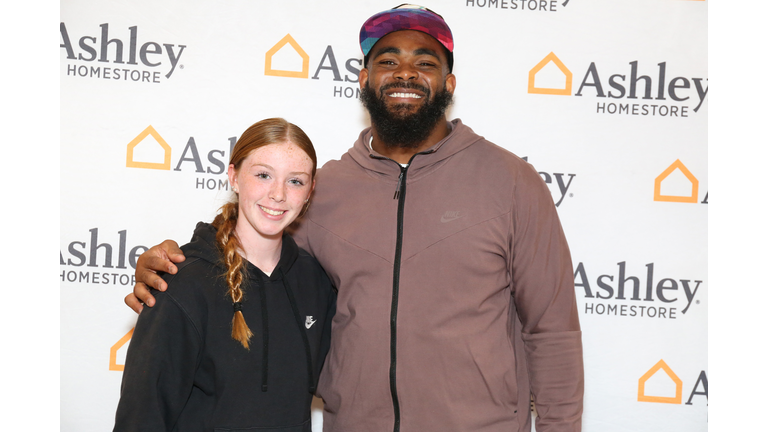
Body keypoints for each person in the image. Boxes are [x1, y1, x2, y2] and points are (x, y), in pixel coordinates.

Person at [126, 5, 584, 432]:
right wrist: (175, 264)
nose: (406, 72)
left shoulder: (510, 182)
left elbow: (552, 331)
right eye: (388, 61)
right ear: (365, 79)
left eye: (425, 62)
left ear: (449, 84)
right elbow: (254, 260)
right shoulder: (324, 188)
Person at [114, 118, 336, 432]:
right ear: (234, 177)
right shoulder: (182, 282)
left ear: (310, 190)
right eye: (263, 175)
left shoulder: (316, 282)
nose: (278, 194)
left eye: (295, 181)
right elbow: (141, 418)